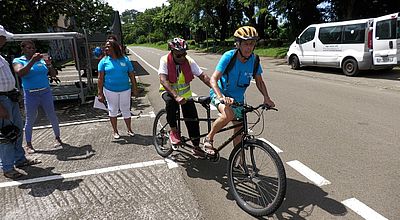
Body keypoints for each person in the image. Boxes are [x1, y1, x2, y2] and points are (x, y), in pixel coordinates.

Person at [203, 26, 275, 155]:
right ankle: (209, 138)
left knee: (239, 132)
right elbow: (213, 79)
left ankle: (239, 162)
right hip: (219, 93)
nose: (249, 47)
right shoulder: (229, 57)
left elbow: (259, 81)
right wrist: (221, 97)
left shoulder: (254, 60)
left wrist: (266, 98)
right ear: (238, 44)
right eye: (246, 44)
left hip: (237, 99)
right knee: (228, 115)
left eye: (252, 44)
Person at [0, 25, 41, 179]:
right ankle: (8, 167)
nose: (5, 39)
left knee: (16, 130)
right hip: (2, 100)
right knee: (6, 134)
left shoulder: (0, 56)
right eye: (3, 36)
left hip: (9, 97)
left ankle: (19, 159)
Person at [158, 38, 211, 157]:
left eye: (184, 54)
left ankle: (196, 146)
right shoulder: (165, 60)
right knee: (171, 104)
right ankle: (173, 131)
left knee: (193, 119)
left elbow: (203, 76)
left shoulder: (189, 61)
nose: (182, 57)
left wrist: (217, 90)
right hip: (169, 92)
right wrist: (176, 96)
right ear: (172, 51)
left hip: (185, 95)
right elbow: (163, 79)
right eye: (179, 55)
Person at [13, 40, 62, 154]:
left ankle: (57, 138)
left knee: (52, 115)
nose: (31, 50)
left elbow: (53, 74)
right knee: (30, 118)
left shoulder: (40, 60)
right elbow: (20, 73)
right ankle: (29, 144)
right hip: (30, 94)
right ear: (23, 49)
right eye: (28, 48)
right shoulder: (18, 60)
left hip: (45, 92)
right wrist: (31, 61)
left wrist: (49, 64)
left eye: (33, 48)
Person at [97, 40, 138, 139]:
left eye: (108, 46)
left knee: (126, 109)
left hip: (125, 89)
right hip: (110, 90)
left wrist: (135, 88)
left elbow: (131, 75)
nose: (106, 49)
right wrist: (100, 93)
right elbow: (100, 78)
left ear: (114, 47)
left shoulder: (125, 59)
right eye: (105, 47)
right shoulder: (104, 61)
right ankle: (115, 131)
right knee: (113, 110)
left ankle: (129, 129)